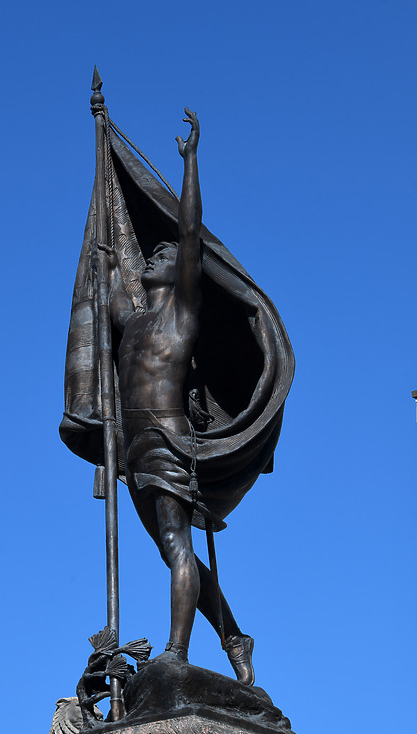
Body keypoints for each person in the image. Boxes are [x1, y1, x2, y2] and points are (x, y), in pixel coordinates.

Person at [97, 109, 254, 685]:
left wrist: (190, 164)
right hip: (132, 446)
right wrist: (106, 254)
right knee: (172, 550)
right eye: (153, 256)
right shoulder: (134, 322)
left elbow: (189, 234)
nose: (159, 257)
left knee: (175, 542)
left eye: (163, 259)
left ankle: (177, 651)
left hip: (167, 435)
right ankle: (235, 636)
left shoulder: (178, 314)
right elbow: (109, 296)